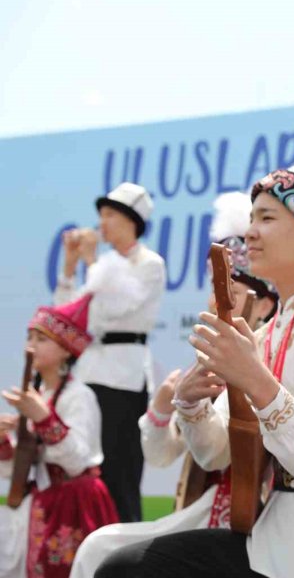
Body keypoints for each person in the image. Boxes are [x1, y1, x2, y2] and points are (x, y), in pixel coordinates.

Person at [96, 153, 294, 577]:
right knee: (120, 564)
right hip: (269, 530)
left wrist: (256, 381)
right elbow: (216, 455)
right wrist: (191, 405)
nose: (251, 232)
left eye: (266, 218)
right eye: (251, 218)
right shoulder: (264, 336)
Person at [68, 192, 276, 578]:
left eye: (229, 293)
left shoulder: (269, 360)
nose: (216, 303)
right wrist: (164, 408)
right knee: (97, 547)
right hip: (200, 506)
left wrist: (190, 405)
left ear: (264, 305)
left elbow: (217, 455)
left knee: (108, 553)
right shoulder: (206, 362)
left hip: (252, 514)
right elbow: (162, 456)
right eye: (215, 292)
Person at [54, 182, 165, 522]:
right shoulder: (103, 265)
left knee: (120, 469)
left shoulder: (149, 263)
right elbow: (68, 317)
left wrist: (91, 261)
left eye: (109, 215)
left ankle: (125, 541)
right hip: (89, 372)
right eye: (101, 215)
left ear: (131, 220)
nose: (101, 224)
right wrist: (70, 267)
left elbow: (118, 305)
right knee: (89, 467)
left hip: (123, 377)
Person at [0, 296, 118, 578]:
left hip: (76, 504)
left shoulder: (79, 396)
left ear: (66, 350)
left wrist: (44, 419)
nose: (31, 346)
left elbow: (76, 461)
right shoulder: (40, 396)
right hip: (44, 502)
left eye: (41, 339)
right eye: (29, 337)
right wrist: (4, 442)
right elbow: (17, 469)